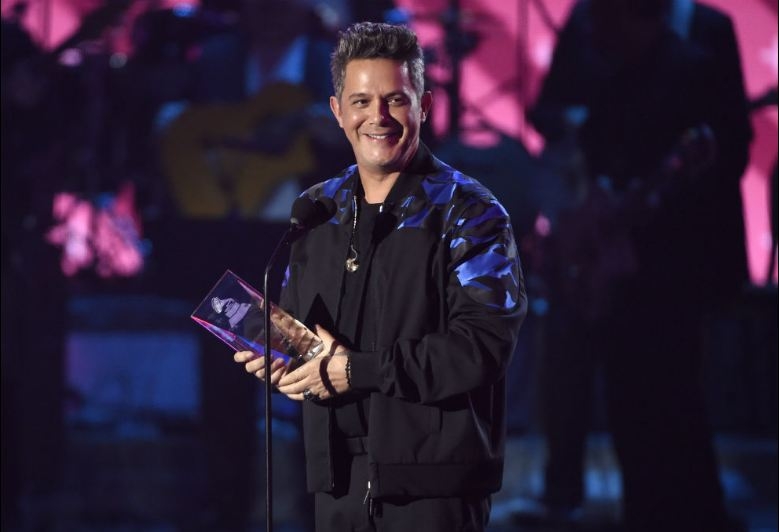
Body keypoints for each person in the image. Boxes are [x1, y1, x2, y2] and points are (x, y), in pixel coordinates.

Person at [233, 21, 527, 532]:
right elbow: (309, 340)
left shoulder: (469, 213)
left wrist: (360, 370)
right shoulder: (318, 210)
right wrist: (284, 360)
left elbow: (481, 347)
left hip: (433, 489)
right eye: (362, 101)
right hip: (335, 482)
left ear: (424, 106)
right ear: (337, 111)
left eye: (395, 100)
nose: (378, 117)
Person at [524, 1, 752, 530]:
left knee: (666, 397)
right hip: (616, 259)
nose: (598, 36)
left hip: (670, 262)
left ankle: (686, 511)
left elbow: (729, 149)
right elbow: (566, 119)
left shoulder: (696, 52)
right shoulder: (616, 48)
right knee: (636, 397)